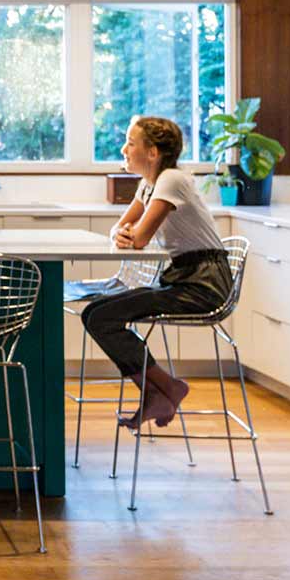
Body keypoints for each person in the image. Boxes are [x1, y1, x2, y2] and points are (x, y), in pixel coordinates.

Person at [79, 116, 233, 430]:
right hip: (182, 278)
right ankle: (161, 390)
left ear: (153, 153)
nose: (123, 149)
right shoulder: (149, 185)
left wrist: (127, 235)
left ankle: (164, 389)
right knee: (95, 313)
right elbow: (120, 229)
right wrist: (119, 235)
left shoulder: (171, 180)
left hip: (204, 284)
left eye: (131, 143)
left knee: (99, 317)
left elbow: (139, 237)